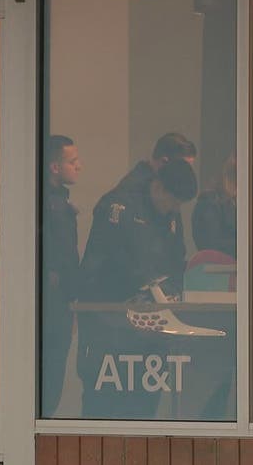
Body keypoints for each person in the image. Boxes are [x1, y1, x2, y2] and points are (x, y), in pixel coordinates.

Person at [76, 158, 198, 418]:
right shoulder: (119, 208)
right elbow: (107, 264)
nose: (173, 210)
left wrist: (172, 292)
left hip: (149, 327)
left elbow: (176, 259)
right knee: (104, 403)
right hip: (108, 321)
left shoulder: (169, 215)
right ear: (159, 188)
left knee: (144, 405)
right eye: (173, 202)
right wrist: (143, 287)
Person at [40, 135, 81, 416]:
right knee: (50, 372)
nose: (80, 167)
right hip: (54, 305)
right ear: (55, 167)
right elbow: (60, 255)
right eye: (73, 161)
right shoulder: (47, 206)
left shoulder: (59, 204)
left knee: (53, 373)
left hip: (60, 301)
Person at [192, 152, 237, 258]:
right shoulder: (208, 202)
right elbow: (212, 244)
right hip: (217, 268)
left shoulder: (233, 202)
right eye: (233, 177)